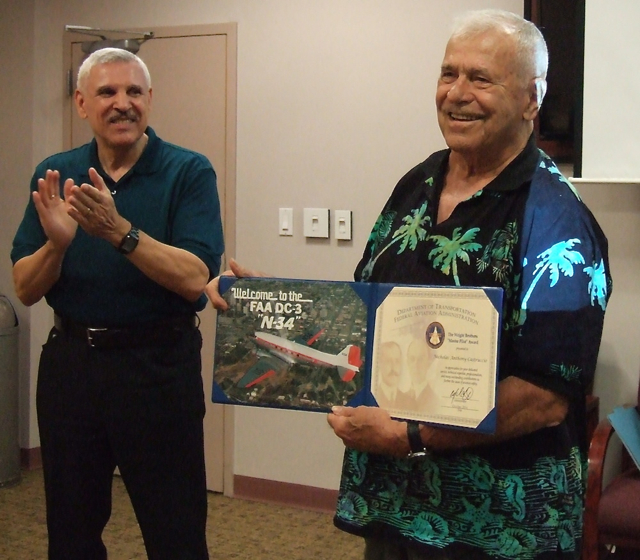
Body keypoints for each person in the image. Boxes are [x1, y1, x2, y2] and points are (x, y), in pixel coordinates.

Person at [208, 9, 611, 560]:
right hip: (395, 508)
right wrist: (269, 308)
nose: (457, 93)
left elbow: (544, 398)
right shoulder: (418, 182)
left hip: (496, 528)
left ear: (531, 100)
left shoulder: (559, 224)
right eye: (449, 74)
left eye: (482, 78)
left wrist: (409, 436)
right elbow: (371, 317)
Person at [11, 47, 223, 560]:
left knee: (175, 531)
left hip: (157, 370)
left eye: (133, 92)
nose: (121, 103)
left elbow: (197, 278)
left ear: (150, 100)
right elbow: (24, 287)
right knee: (71, 531)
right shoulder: (56, 173)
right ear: (82, 103)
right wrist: (59, 244)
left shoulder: (188, 171)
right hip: (72, 369)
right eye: (107, 92)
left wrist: (119, 232)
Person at [404, 336, 439, 414]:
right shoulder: (400, 399)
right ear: (407, 362)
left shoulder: (435, 402)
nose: (416, 365)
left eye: (421, 359)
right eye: (412, 359)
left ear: (428, 363)